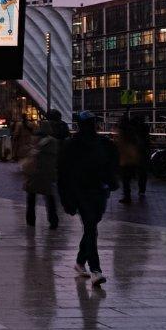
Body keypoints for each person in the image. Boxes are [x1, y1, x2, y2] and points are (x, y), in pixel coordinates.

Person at [58, 112, 119, 285]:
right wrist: (67, 199)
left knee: (91, 226)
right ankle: (96, 270)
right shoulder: (72, 146)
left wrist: (111, 181)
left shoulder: (102, 144)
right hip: (82, 193)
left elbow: (112, 165)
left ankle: (79, 261)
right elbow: (63, 174)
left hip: (98, 191)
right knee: (91, 227)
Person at [21, 117, 59, 229]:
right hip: (46, 173)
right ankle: (53, 221)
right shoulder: (52, 142)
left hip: (33, 173)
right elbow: (55, 158)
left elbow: (27, 152)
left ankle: (30, 221)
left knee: (31, 198)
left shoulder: (35, 139)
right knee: (49, 199)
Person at [116, 113, 150, 204]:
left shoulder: (125, 131)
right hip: (136, 156)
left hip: (128, 158)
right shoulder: (141, 130)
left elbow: (122, 145)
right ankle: (141, 190)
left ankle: (128, 196)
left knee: (126, 178)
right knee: (140, 173)